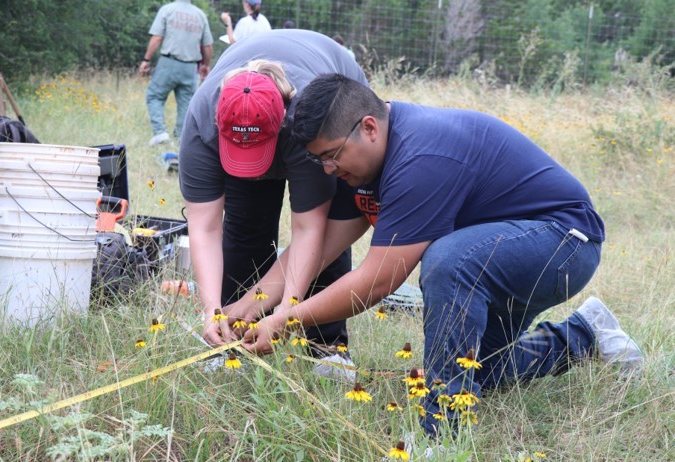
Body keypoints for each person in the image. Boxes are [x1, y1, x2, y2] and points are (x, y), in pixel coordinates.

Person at [241, 74, 645, 435]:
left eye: (331, 154)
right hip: (507, 251)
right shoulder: (364, 164)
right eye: (319, 159)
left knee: (449, 262)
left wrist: (286, 320)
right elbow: (323, 245)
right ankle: (585, 335)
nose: (328, 169)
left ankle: (442, 431)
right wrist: (251, 304)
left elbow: (378, 279)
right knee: (478, 369)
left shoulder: (420, 158)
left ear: (368, 128)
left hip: (564, 244)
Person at [178, 30, 370, 378]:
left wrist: (287, 313)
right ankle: (232, 338)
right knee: (246, 225)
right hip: (247, 126)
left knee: (330, 226)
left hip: (325, 108)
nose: (256, 170)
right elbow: (205, 227)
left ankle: (327, 347)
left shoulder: (308, 121)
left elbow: (311, 229)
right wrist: (211, 309)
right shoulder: (201, 123)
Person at [139, 0, 213, 146]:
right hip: (190, 68)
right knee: (186, 104)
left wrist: (146, 59)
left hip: (169, 63)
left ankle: (160, 133)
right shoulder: (200, 15)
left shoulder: (167, 10)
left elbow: (157, 38)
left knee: (154, 96)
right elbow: (208, 45)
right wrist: (206, 65)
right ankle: (181, 139)